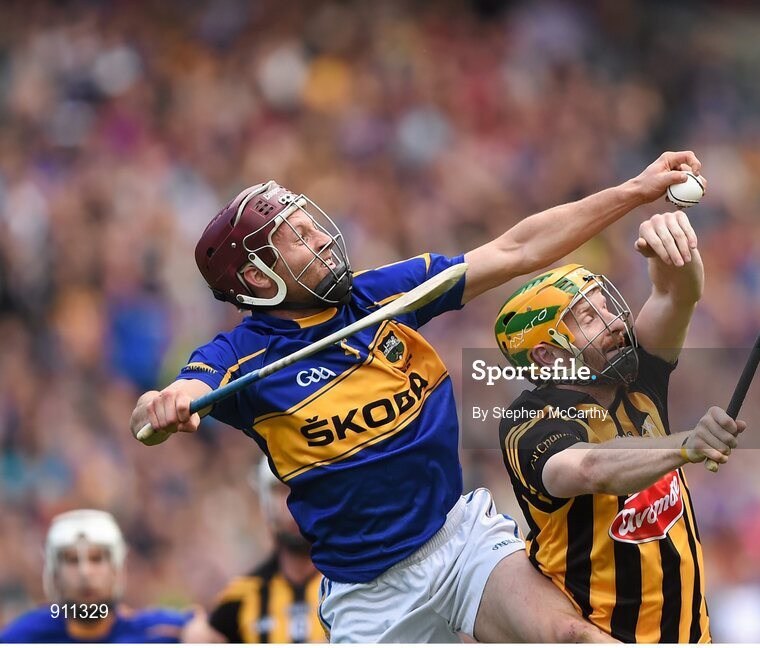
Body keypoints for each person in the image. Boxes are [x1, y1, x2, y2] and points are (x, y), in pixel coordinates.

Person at [129, 151, 702, 643]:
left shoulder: (378, 296)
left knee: (571, 636)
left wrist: (636, 190)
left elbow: (518, 249)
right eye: (298, 238)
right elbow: (171, 400)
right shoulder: (241, 354)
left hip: (458, 539)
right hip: (370, 594)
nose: (324, 238)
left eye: (312, 223)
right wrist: (163, 405)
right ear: (258, 278)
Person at [493, 211, 747, 643]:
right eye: (588, 318)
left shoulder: (636, 375)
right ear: (547, 357)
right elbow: (588, 468)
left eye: (606, 306)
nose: (613, 322)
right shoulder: (527, 419)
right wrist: (685, 445)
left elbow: (676, 294)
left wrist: (674, 247)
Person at [0, 509, 194, 643]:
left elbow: (213, 624)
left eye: (97, 559)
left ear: (116, 571)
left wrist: (200, 631)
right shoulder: (24, 637)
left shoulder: (160, 632)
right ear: (55, 577)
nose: (85, 573)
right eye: (72, 561)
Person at [202, 460, 327, 643]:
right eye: (282, 491)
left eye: (304, 490)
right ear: (266, 502)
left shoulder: (354, 584)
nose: (295, 505)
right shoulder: (238, 600)